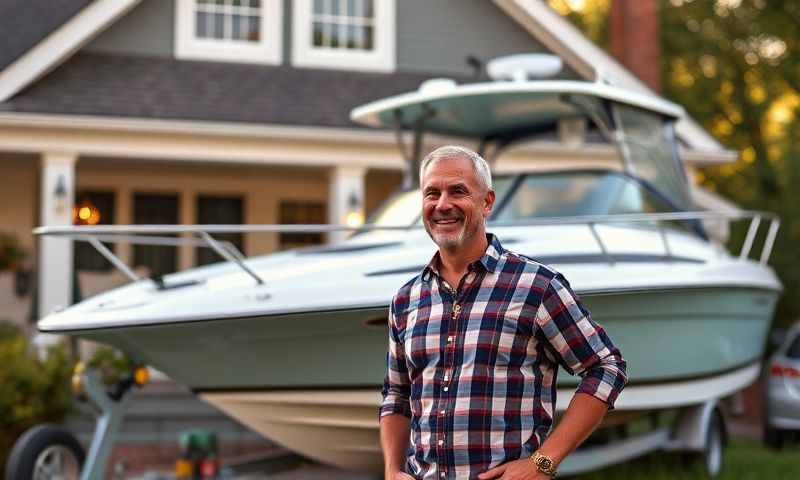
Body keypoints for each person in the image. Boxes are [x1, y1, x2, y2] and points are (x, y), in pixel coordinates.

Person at [379, 146, 628, 479]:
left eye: (458, 191)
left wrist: (545, 461)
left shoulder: (536, 286)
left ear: (487, 202)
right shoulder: (407, 299)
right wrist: (392, 471)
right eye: (431, 193)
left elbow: (606, 367)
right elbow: (397, 395)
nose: (442, 205)